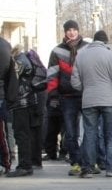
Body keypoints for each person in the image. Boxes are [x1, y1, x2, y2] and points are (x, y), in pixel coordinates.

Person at [71, 31, 112, 178]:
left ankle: (87, 169)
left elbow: (74, 82)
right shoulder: (111, 56)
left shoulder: (80, 56)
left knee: (89, 134)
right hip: (109, 100)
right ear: (105, 42)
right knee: (111, 134)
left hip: (88, 100)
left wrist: (87, 88)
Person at [47, 20, 88, 175]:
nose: (72, 32)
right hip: (67, 96)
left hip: (85, 95)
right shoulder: (57, 51)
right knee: (70, 133)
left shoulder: (86, 48)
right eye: (69, 30)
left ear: (78, 31)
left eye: (74, 29)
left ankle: (88, 160)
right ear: (65, 32)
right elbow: (52, 74)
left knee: (88, 131)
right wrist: (53, 95)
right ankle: (76, 161)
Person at [6, 45, 43, 177]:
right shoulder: (23, 58)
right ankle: (28, 163)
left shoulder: (18, 61)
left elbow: (13, 77)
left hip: (22, 101)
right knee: (26, 133)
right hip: (27, 100)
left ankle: (25, 165)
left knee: (22, 134)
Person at [0, 37, 12, 173]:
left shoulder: (3, 46)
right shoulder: (5, 45)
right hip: (3, 94)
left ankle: (5, 162)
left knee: (2, 133)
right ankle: (6, 162)